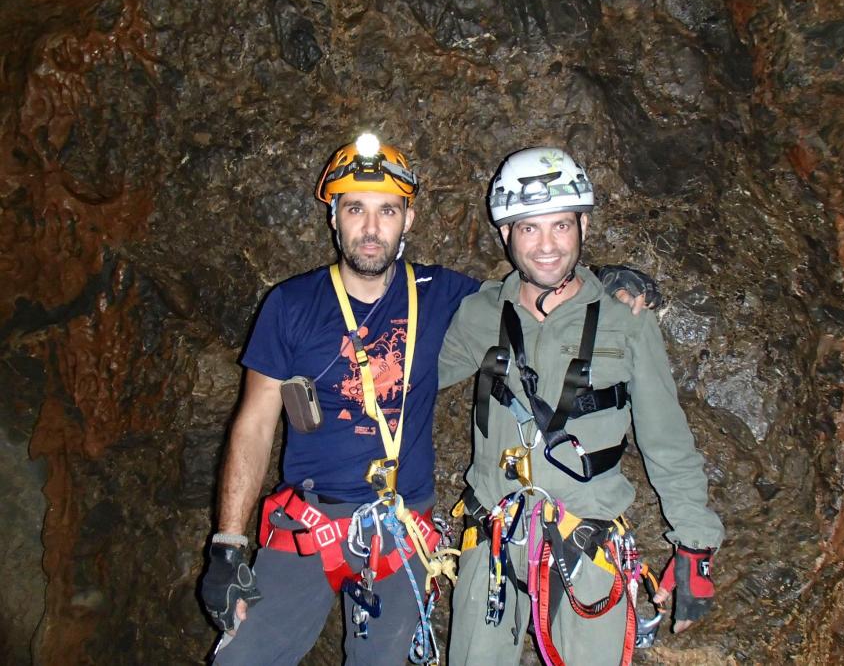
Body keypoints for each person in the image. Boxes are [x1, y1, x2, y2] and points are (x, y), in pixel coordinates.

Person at [199, 135, 659, 666]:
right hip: (308, 523)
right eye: (355, 209)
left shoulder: (442, 294)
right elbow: (254, 425)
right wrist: (228, 543)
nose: (371, 228)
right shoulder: (290, 304)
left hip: (400, 532)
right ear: (334, 217)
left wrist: (606, 282)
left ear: (408, 220)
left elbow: (535, 289)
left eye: (387, 211)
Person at [439, 147, 725, 666]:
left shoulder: (626, 321)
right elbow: (407, 381)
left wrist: (695, 548)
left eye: (561, 226)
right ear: (505, 233)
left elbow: (666, 440)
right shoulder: (478, 314)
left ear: (583, 226)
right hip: (493, 542)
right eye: (529, 228)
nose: (547, 245)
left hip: (588, 546)